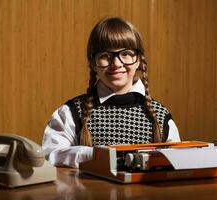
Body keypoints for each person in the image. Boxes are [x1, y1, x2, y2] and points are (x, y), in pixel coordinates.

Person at [42, 17, 180, 168]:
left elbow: (176, 163)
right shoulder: (72, 112)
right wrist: (96, 155)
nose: (116, 63)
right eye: (105, 56)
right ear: (93, 63)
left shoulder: (160, 115)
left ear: (139, 60)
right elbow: (50, 154)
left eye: (126, 53)